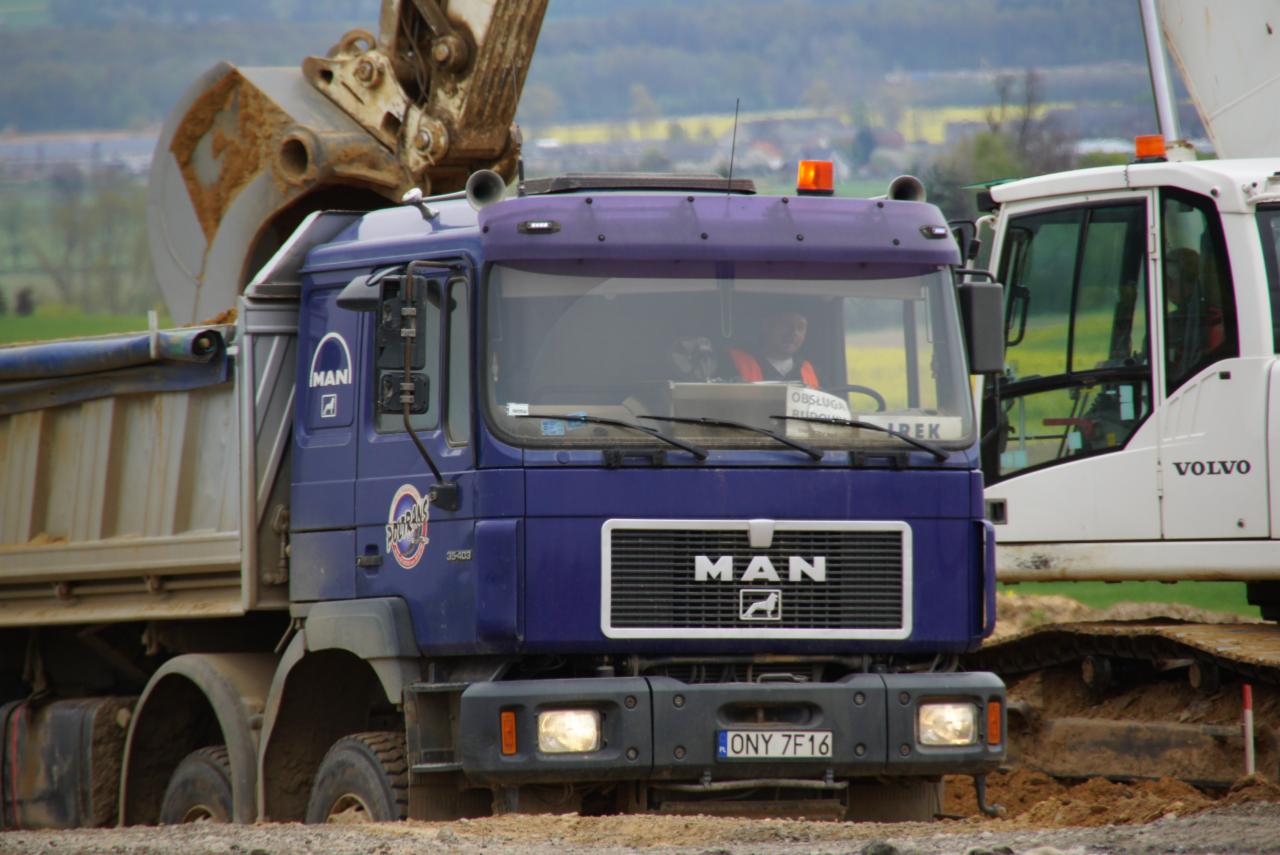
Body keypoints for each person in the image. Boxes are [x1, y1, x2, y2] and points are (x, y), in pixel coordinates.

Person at [729, 309, 820, 388]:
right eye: (786, 325)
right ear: (768, 326)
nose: (794, 332)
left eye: (800, 328)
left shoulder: (813, 372)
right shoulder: (733, 362)